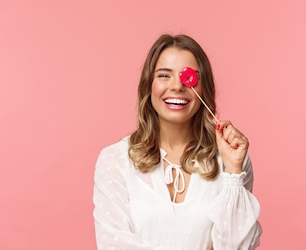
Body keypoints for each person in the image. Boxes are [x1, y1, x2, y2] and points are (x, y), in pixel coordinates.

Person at [93, 34, 262, 249]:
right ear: (149, 85)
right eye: (164, 75)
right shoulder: (115, 160)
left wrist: (233, 171)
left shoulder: (232, 162)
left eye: (188, 77)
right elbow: (114, 244)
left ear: (203, 88)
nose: (177, 86)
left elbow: (237, 246)